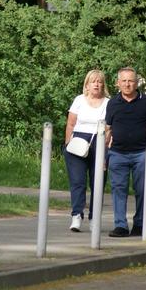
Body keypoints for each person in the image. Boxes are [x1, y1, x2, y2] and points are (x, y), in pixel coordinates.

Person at [105, 67, 146, 237]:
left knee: (142, 189)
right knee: (118, 189)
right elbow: (108, 129)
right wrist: (103, 156)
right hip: (117, 153)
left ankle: (140, 224)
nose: (127, 84)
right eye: (124, 81)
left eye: (131, 81)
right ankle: (120, 225)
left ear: (137, 83)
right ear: (118, 83)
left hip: (142, 153)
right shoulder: (112, 103)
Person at [63, 70, 110, 232]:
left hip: (99, 142)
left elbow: (111, 129)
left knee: (98, 183)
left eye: (99, 81)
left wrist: (106, 151)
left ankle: (94, 219)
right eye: (93, 81)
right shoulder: (79, 100)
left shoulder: (108, 103)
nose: (96, 84)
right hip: (77, 143)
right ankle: (76, 216)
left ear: (103, 85)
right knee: (78, 182)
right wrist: (68, 143)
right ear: (87, 85)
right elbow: (70, 123)